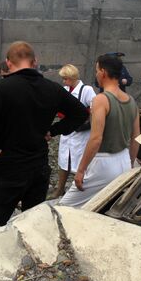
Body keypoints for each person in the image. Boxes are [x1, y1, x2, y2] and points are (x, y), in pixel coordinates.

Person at [0, 41, 87, 227]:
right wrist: (53, 130)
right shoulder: (53, 88)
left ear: (8, 63)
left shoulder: (1, 89)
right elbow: (81, 113)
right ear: (35, 62)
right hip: (38, 169)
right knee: (33, 225)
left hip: (9, 169)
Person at [59, 54, 140, 208]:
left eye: (96, 70)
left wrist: (81, 170)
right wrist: (129, 163)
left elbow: (96, 139)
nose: (96, 74)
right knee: (103, 205)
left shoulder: (101, 99)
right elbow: (136, 137)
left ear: (103, 72)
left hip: (103, 162)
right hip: (123, 159)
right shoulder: (131, 100)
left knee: (65, 207)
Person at [50, 64, 96, 199]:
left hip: (81, 133)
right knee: (64, 160)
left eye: (66, 79)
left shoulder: (86, 90)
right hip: (68, 130)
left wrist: (90, 123)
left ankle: (77, 190)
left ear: (72, 77)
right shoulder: (65, 90)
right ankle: (60, 189)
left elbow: (94, 107)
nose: (64, 82)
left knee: (79, 161)